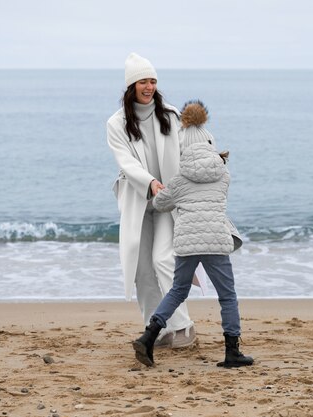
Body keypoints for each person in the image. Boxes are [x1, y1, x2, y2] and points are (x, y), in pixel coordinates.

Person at [132, 100, 254, 368]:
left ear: (183, 148)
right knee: (227, 296)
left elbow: (162, 204)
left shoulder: (179, 179)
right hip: (215, 241)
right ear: (210, 143)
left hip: (187, 242)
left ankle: (149, 336)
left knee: (177, 291)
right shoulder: (224, 176)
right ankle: (232, 351)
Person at [107, 53, 196, 348]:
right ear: (131, 85)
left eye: (153, 81)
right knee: (141, 270)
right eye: (143, 81)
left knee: (163, 259)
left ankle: (183, 327)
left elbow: (188, 150)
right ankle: (157, 329)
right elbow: (126, 162)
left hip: (168, 202)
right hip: (138, 202)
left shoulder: (169, 115)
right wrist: (149, 183)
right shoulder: (116, 123)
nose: (149, 87)